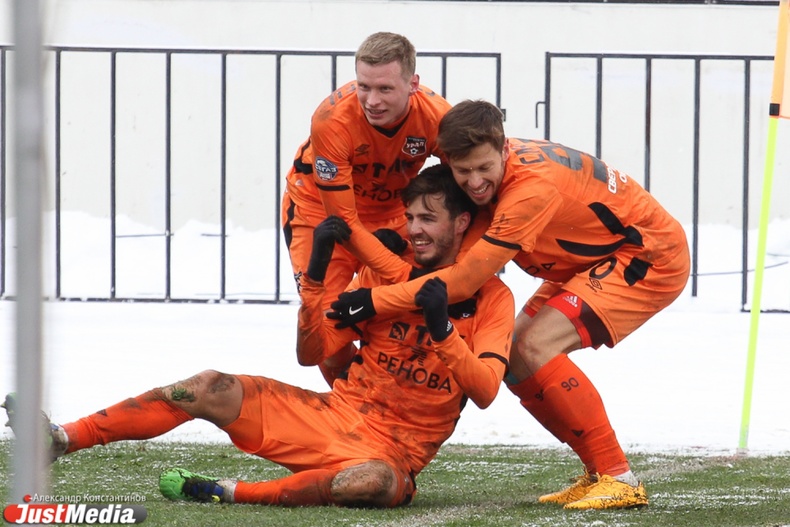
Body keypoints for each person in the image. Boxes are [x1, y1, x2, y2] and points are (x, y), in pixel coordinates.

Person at [2, 164, 513, 508]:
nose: (415, 229)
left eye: (428, 219)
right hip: (331, 416)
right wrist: (316, 282)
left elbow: (487, 391)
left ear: (462, 223)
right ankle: (62, 438)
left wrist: (443, 330)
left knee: (368, 483)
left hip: (393, 454)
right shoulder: (386, 269)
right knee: (207, 386)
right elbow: (312, 353)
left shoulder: (493, 297)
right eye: (411, 217)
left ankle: (229, 492)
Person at [328, 100, 691, 510]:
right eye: (463, 171)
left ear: (504, 150)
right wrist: (392, 240)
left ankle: (618, 477)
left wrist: (374, 301)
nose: (475, 182)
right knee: (514, 355)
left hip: (647, 255)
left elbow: (463, 282)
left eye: (484, 168)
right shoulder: (485, 159)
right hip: (594, 258)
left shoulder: (529, 191)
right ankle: (597, 472)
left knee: (535, 346)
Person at [280, 31, 454, 385]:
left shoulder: (438, 118)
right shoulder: (332, 120)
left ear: (413, 85)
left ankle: (399, 399)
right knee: (327, 330)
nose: (372, 101)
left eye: (385, 89)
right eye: (364, 87)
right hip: (320, 212)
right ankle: (351, 406)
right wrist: (405, 276)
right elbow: (343, 221)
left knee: (411, 311)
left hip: (392, 211)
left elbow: (467, 186)